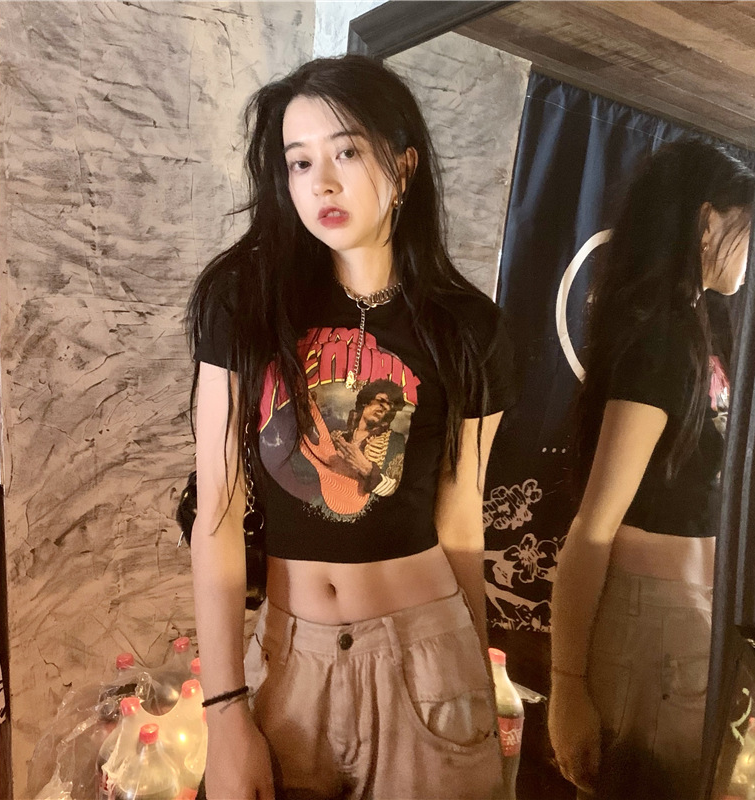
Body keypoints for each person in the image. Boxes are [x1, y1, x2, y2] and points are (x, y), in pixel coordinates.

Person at [186, 55, 516, 800]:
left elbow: (461, 520)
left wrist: (476, 674)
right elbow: (217, 512)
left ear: (404, 165)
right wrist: (223, 710)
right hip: (288, 660)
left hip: (427, 658)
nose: (322, 184)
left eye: (346, 152)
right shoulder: (244, 302)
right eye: (300, 162)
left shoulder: (471, 330)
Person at [548, 140, 755, 800]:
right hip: (653, 623)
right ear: (707, 221)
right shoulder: (662, 339)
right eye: (749, 224)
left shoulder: (702, 324)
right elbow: (594, 527)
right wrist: (566, 687)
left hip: (688, 615)